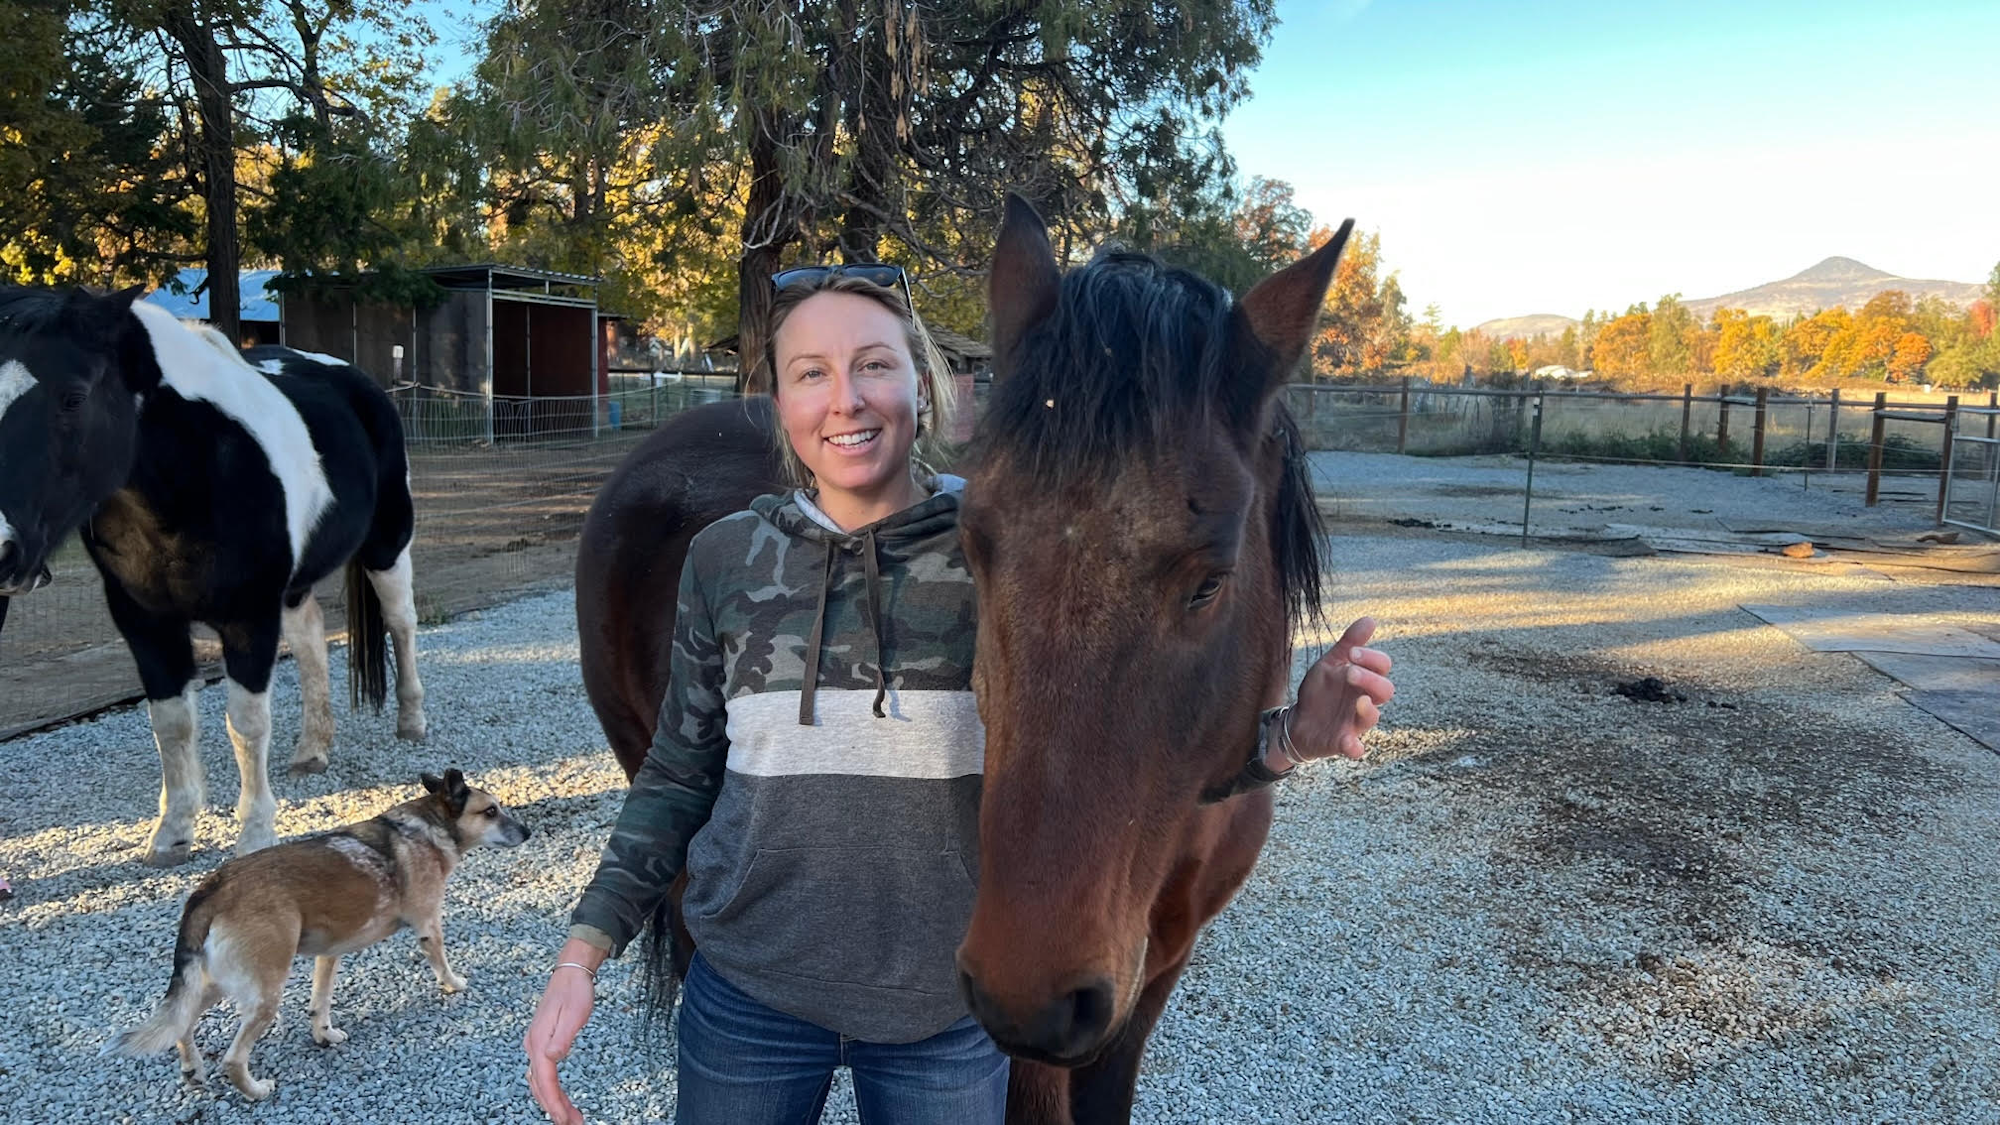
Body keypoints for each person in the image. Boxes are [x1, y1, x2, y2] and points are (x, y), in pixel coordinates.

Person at [523, 265, 1396, 1125]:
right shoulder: (722, 558)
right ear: (778, 397)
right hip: (748, 997)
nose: (845, 401)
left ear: (924, 383)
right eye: (809, 373)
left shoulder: (1012, 549)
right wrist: (583, 948)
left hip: (934, 1014)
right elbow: (676, 772)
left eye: (873, 365)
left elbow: (1102, 719)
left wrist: (1288, 737)